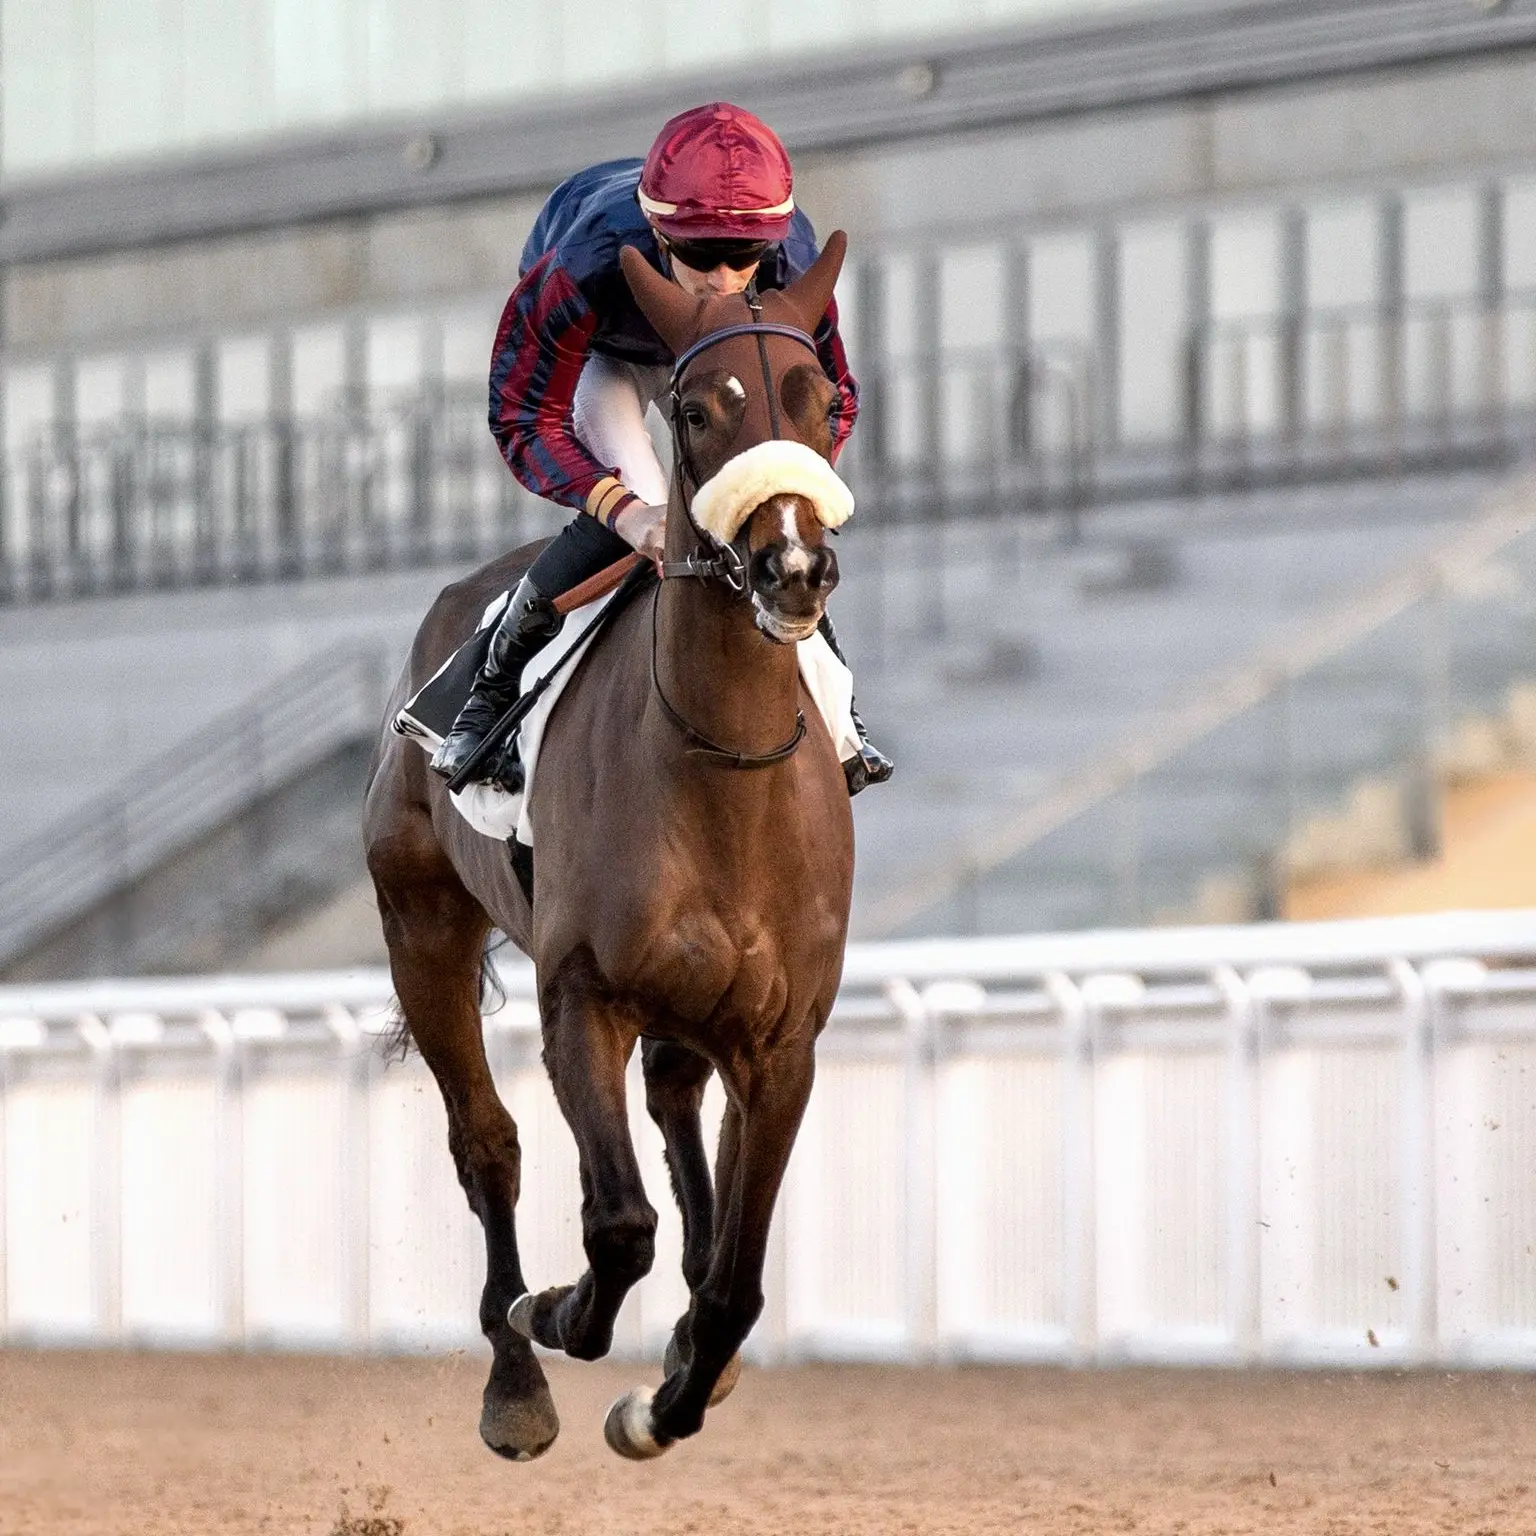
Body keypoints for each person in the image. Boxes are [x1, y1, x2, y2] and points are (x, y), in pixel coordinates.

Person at [429, 101, 894, 795]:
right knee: (647, 507)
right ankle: (489, 686)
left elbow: (833, 398)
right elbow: (524, 417)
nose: (724, 279)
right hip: (606, 354)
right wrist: (625, 513)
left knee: (772, 519)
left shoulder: (790, 257)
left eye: (744, 257)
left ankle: (840, 711)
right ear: (657, 232)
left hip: (722, 356)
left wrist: (787, 488)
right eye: (701, 256)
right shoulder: (582, 264)